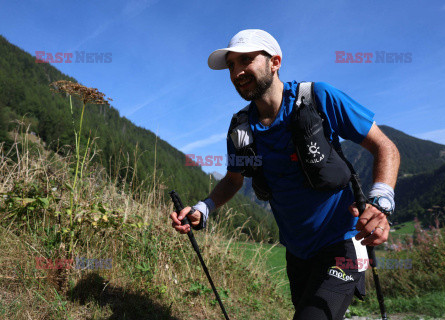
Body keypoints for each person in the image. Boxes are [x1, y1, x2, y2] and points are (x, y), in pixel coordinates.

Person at [170, 29, 400, 320]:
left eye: (246, 60)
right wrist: (203, 208)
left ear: (274, 62)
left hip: (342, 242)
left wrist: (380, 204)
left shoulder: (318, 97)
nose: (237, 72)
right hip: (296, 252)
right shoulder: (241, 127)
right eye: (231, 65)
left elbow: (385, 147)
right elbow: (233, 179)